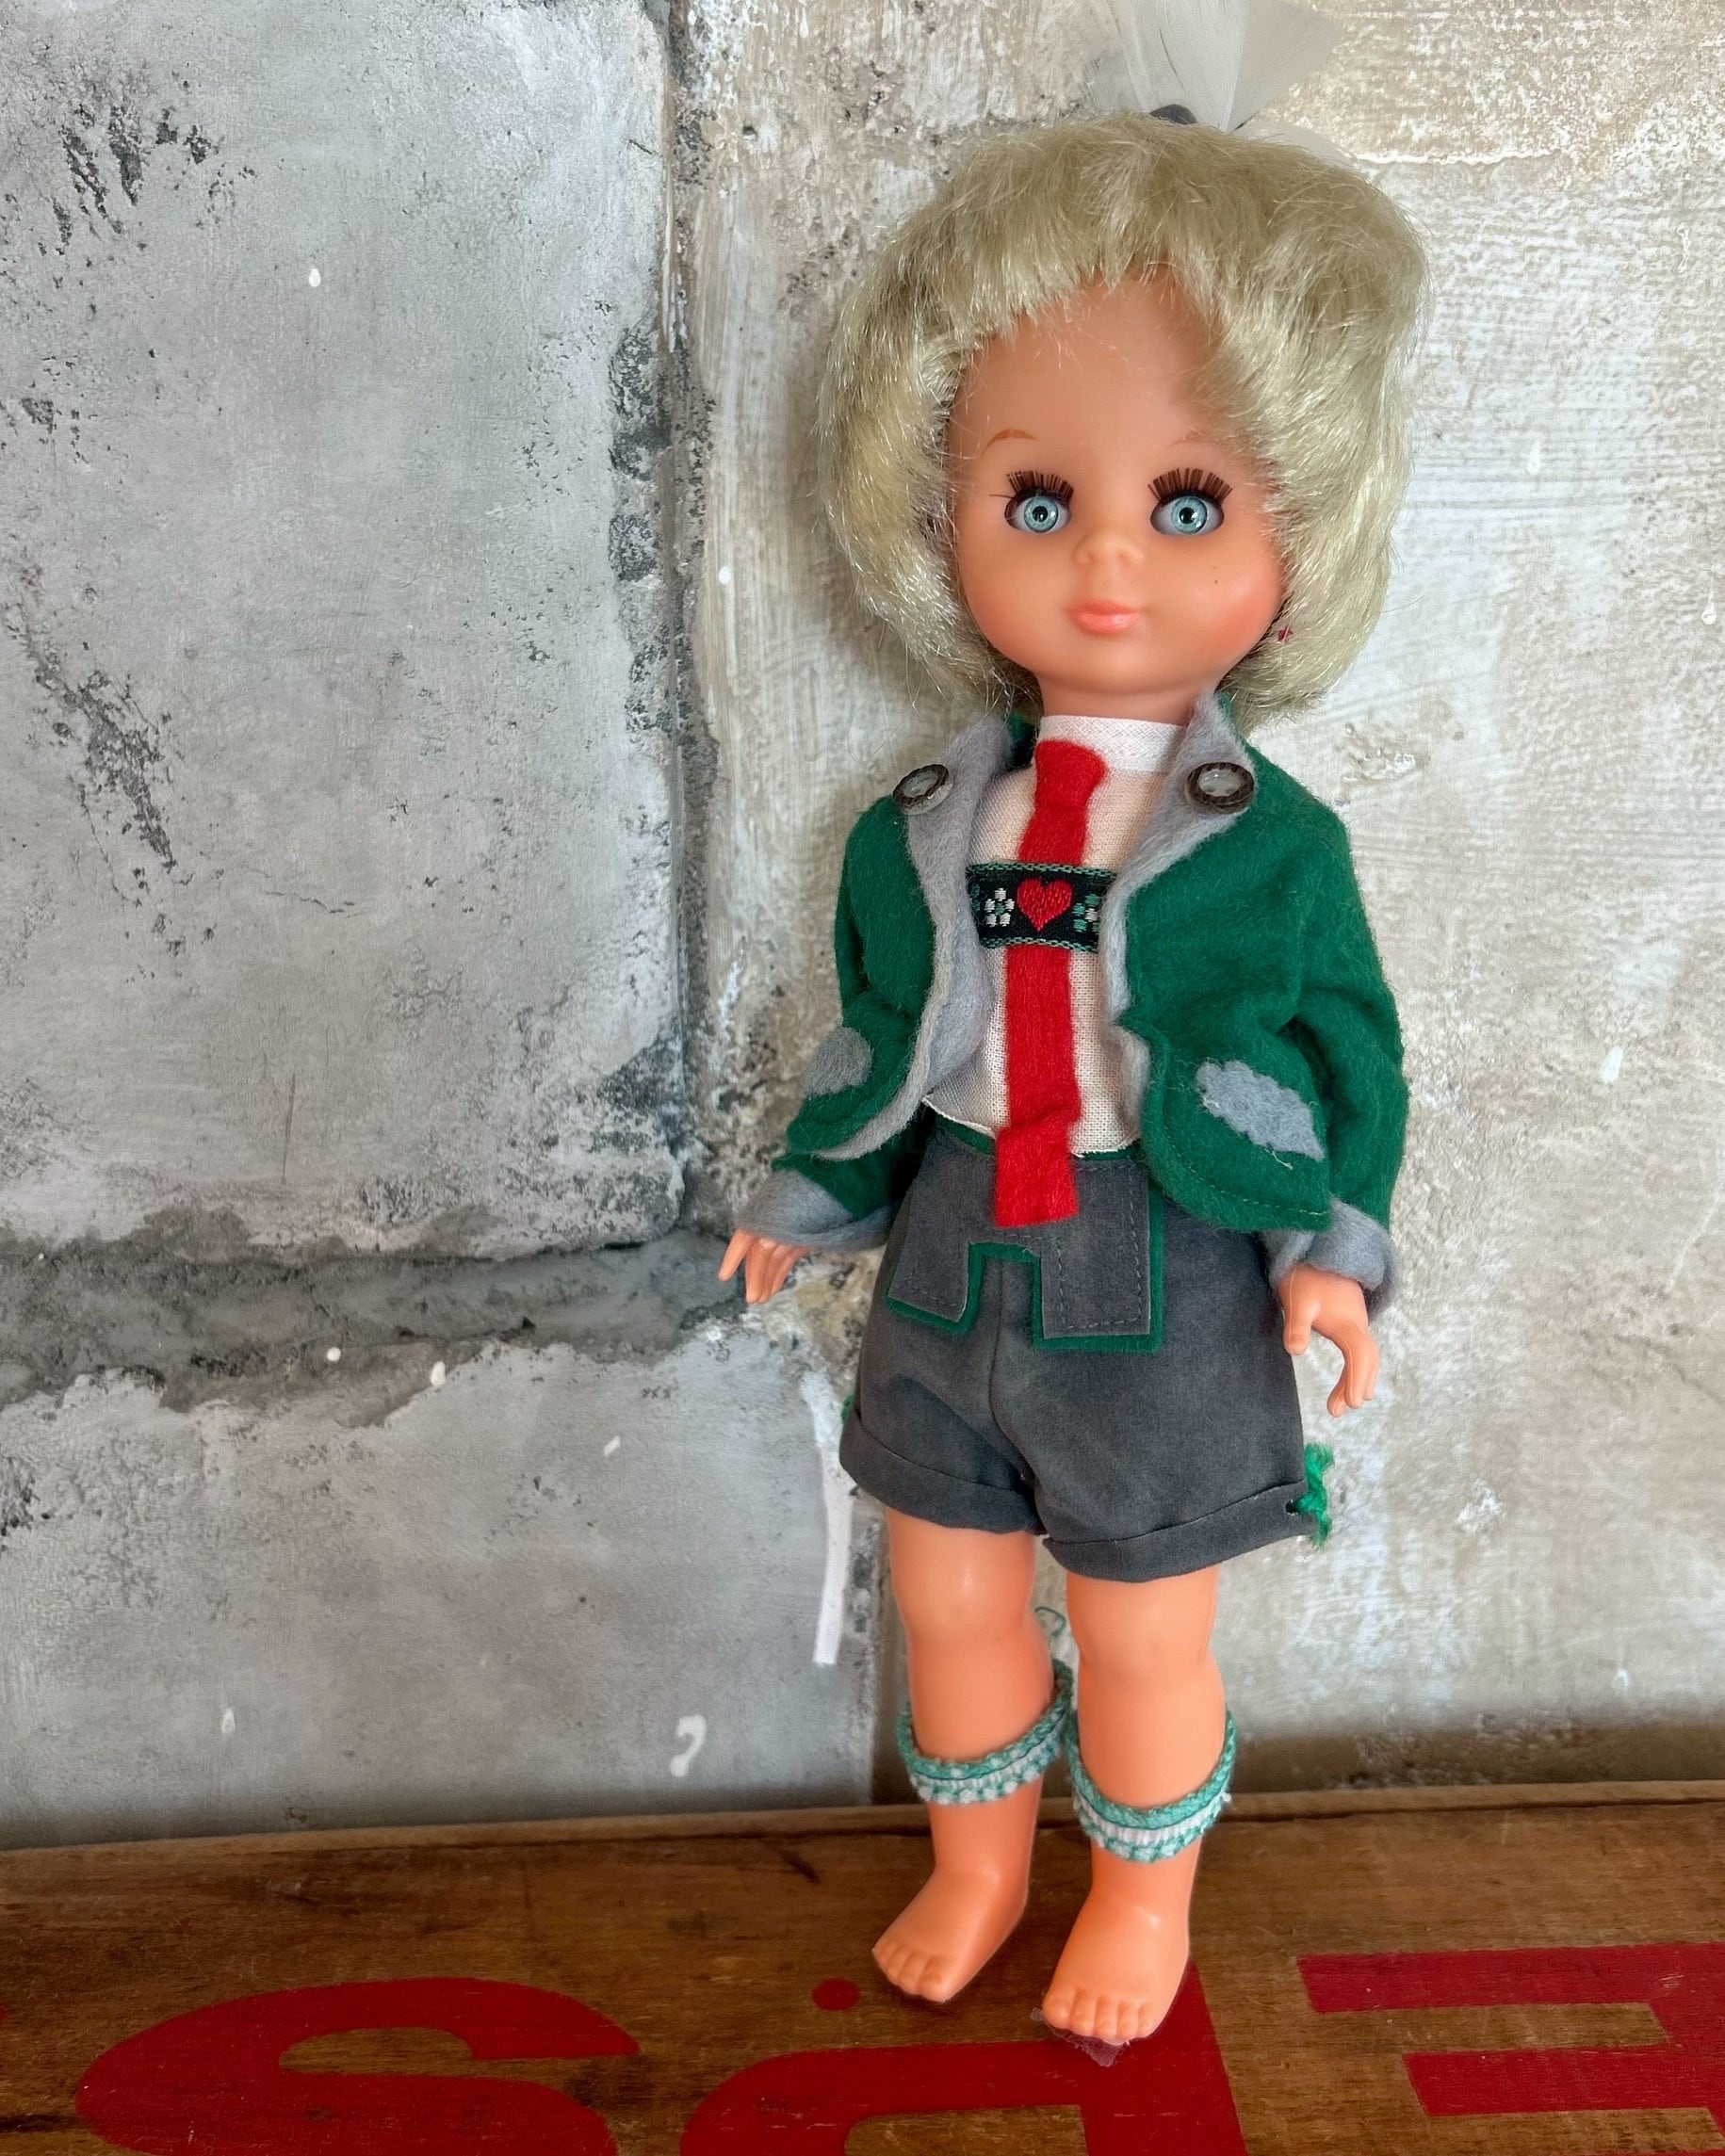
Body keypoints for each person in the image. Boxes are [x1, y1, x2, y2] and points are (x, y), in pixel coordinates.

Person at [719, 100, 1424, 2050]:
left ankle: (1141, 1889)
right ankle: (977, 1864)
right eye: (1038, 498)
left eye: (1188, 502)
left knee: (1138, 1618)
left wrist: (1331, 1248)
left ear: (1297, 534)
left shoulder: (1270, 842)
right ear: (936, 516)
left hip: (1166, 1262)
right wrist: (809, 1195)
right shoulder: (921, 821)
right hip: (954, 1252)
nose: (1109, 557)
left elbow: (1347, 1047)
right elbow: (881, 1027)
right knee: (946, 1588)